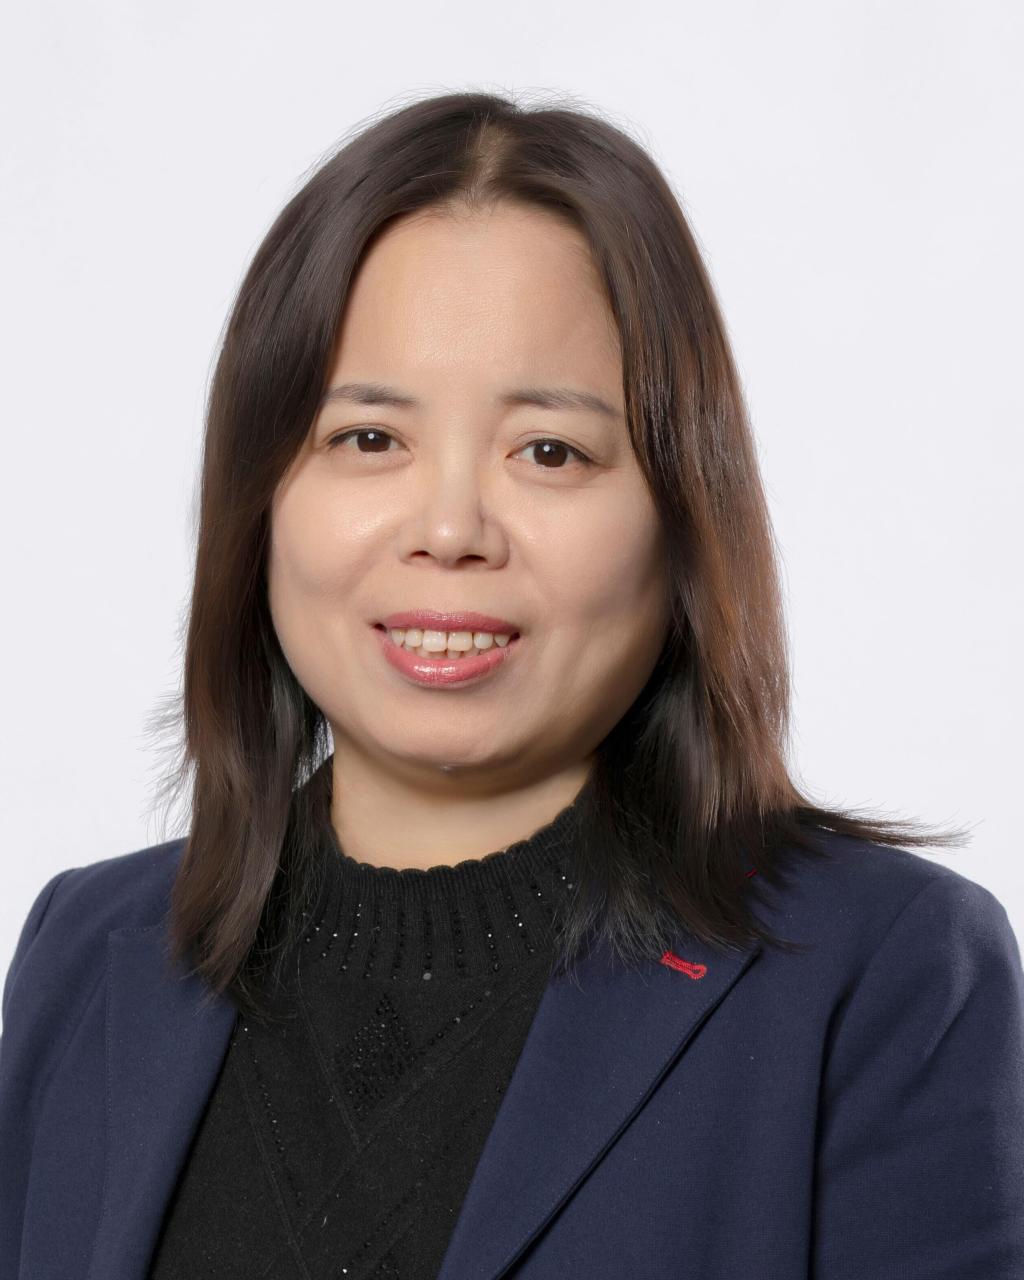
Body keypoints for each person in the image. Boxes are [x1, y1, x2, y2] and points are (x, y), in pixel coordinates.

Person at [2, 89, 1022, 1280]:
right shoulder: (87, 949)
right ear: (260, 500)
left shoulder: (883, 970)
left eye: (550, 450)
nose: (449, 528)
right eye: (367, 438)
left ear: (682, 515)